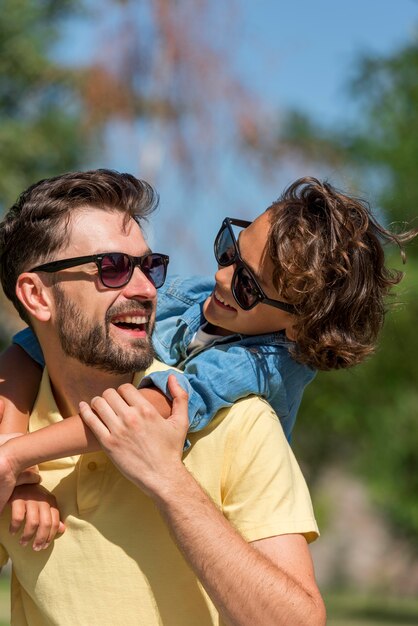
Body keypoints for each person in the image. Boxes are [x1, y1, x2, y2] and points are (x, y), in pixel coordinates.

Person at [0, 174, 415, 546]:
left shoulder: (262, 363)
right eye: (230, 252)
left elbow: (152, 410)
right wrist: (17, 458)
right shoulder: (194, 296)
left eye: (248, 286)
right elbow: (27, 345)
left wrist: (19, 456)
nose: (222, 278)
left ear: (299, 328)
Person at [0, 169, 326, 625]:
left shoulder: (240, 419)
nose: (146, 288)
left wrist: (169, 483)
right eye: (112, 267)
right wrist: (16, 470)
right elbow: (23, 347)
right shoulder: (12, 418)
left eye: (148, 266)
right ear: (36, 296)